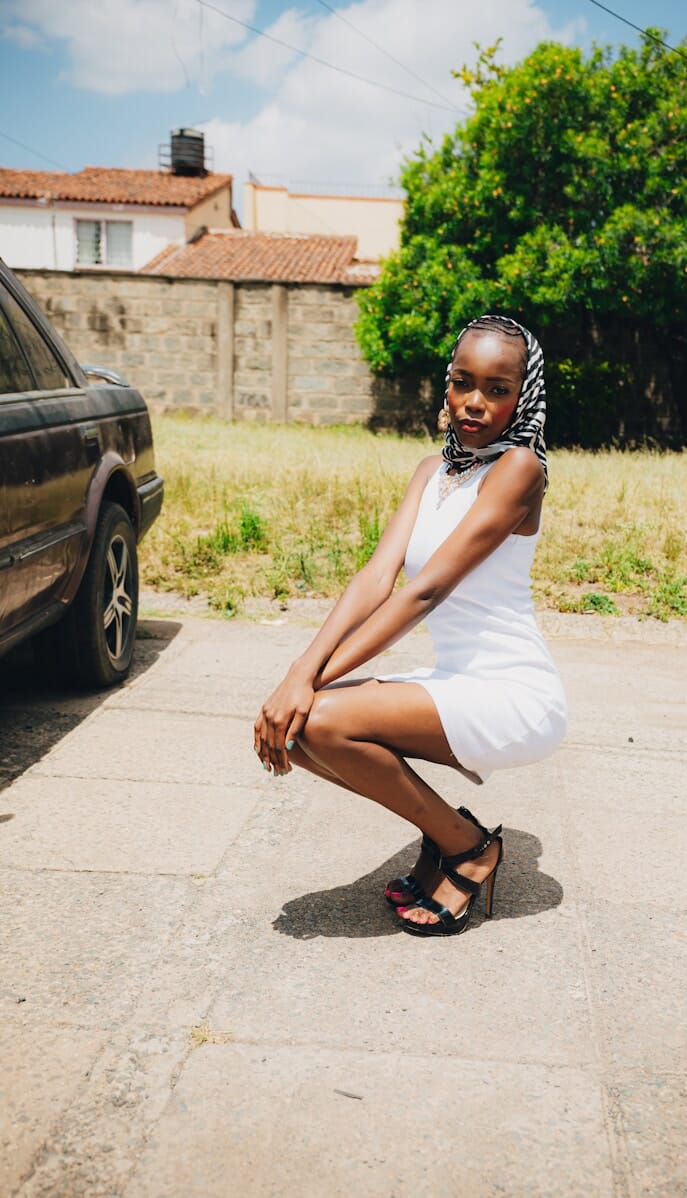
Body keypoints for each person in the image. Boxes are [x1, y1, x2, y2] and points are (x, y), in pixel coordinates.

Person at [253, 314, 567, 937]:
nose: (474, 402)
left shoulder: (520, 470)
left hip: (512, 693)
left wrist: (303, 687)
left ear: (522, 394)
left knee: (315, 717)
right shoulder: (431, 471)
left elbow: (423, 591)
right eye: (462, 382)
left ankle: (467, 846)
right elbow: (377, 578)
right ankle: (451, 838)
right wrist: (298, 672)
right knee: (303, 731)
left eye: (497, 389)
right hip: (452, 679)